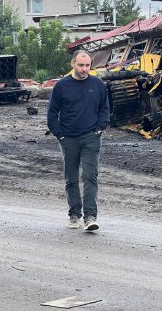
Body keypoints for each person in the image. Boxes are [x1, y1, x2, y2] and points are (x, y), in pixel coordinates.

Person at [47, 50, 110, 231]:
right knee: (71, 178)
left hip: (91, 137)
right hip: (68, 139)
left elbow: (104, 109)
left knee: (90, 176)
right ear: (72, 64)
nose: (84, 69)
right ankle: (74, 214)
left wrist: (100, 128)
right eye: (81, 65)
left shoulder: (98, 85)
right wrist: (59, 134)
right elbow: (52, 113)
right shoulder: (62, 86)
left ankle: (90, 217)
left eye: (88, 65)